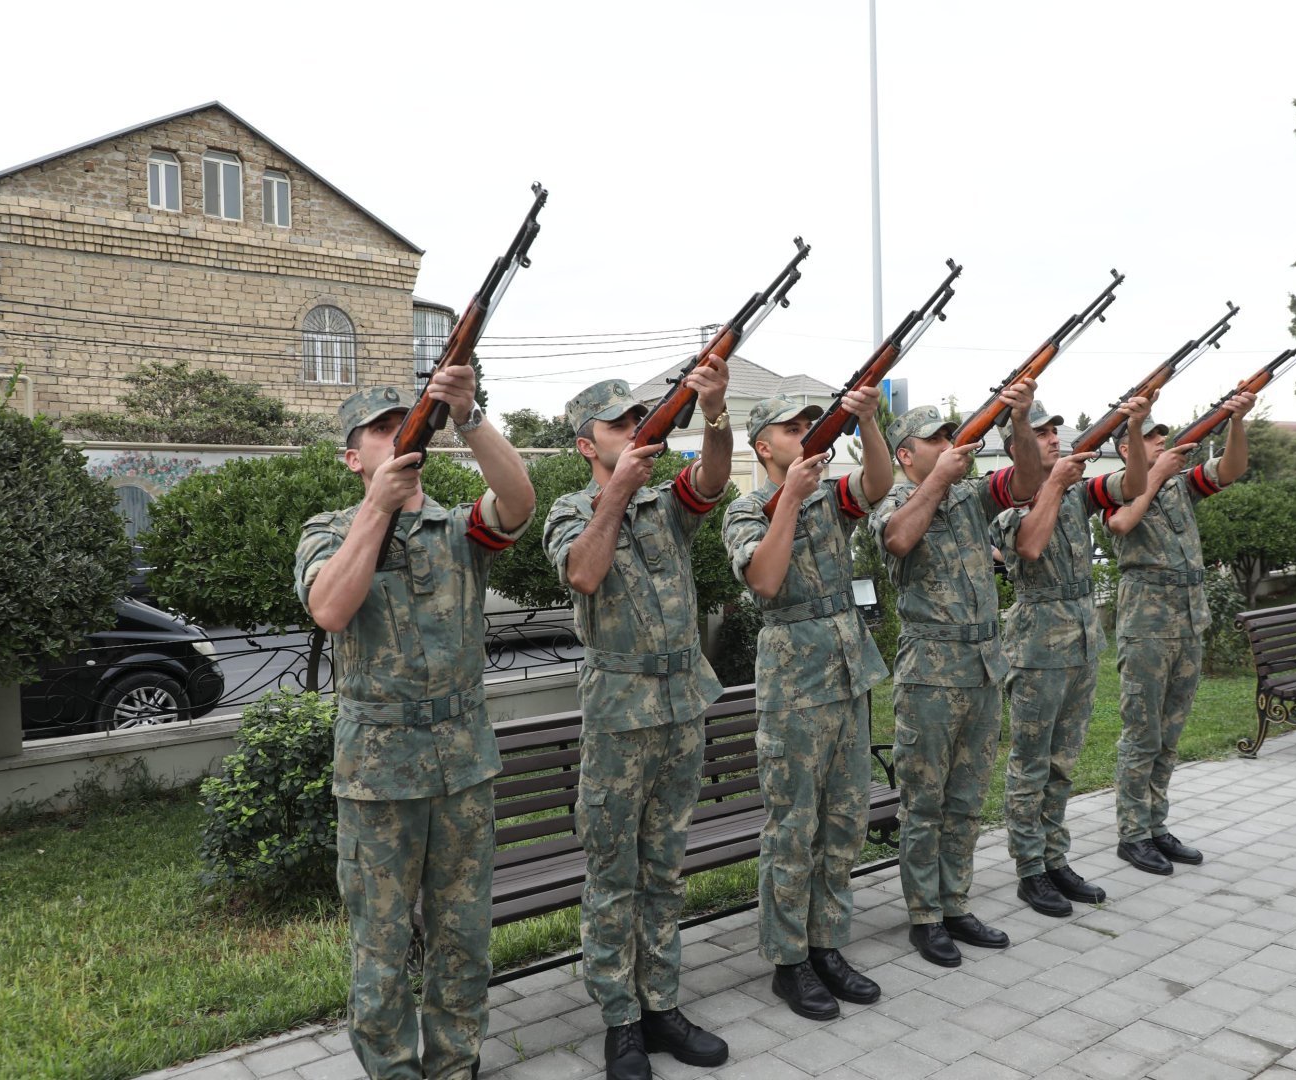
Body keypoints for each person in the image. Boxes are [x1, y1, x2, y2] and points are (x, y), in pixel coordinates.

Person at [294, 372, 536, 1080]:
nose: (402, 433)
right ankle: (394, 1070)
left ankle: (455, 1064)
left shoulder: (459, 527)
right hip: (379, 773)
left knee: (464, 935)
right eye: (381, 427)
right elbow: (331, 608)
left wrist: (469, 418)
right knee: (382, 941)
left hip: (463, 764)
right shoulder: (327, 530)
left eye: (410, 421)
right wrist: (377, 509)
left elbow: (519, 504)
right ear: (352, 456)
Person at [543, 369, 733, 1080]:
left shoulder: (665, 504)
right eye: (621, 424)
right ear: (587, 443)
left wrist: (713, 417)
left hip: (682, 705)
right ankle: (620, 1019)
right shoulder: (571, 508)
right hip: (620, 716)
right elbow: (585, 574)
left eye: (639, 420)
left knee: (665, 869)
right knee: (614, 873)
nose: (636, 431)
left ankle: (661, 1004)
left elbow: (710, 482)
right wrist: (617, 490)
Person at [720, 387, 891, 1021]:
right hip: (794, 684)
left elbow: (877, 481)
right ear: (764, 446)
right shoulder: (748, 510)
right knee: (794, 828)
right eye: (791, 429)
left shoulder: (830, 494)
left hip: (847, 673)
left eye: (808, 425)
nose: (805, 434)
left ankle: (828, 946)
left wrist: (868, 423)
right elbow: (764, 580)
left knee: (843, 821)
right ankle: (789, 962)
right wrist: (789, 496)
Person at [871, 384, 1041, 968]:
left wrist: (1019, 420)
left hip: (983, 666)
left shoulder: (972, 496)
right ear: (906, 455)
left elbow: (1026, 482)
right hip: (930, 672)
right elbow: (897, 539)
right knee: (925, 802)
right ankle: (924, 915)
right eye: (936, 440)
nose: (950, 445)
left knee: (966, 799)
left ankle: (955, 901)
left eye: (952, 435)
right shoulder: (888, 498)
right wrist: (939, 480)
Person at [991, 394, 1151, 916]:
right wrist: (1054, 486)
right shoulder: (1005, 503)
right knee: (1031, 764)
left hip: (1082, 640)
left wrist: (1133, 427)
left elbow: (1133, 487)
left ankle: (1056, 859)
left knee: (1062, 762)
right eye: (1040, 433)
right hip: (1038, 645)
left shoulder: (1078, 492)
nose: (1054, 439)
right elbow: (1030, 549)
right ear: (1015, 445)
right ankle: (1029, 868)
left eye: (1055, 432)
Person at [1096, 391, 1255, 871]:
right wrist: (1157, 474)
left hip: (1188, 615)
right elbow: (1122, 523)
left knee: (1170, 732)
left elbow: (1230, 471)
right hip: (1147, 619)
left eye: (1162, 433)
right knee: (1141, 731)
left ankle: (1156, 824)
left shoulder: (1181, 484)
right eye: (1150, 436)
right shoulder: (1113, 486)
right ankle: (1131, 833)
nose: (1162, 440)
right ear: (1126, 449)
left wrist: (1237, 423)